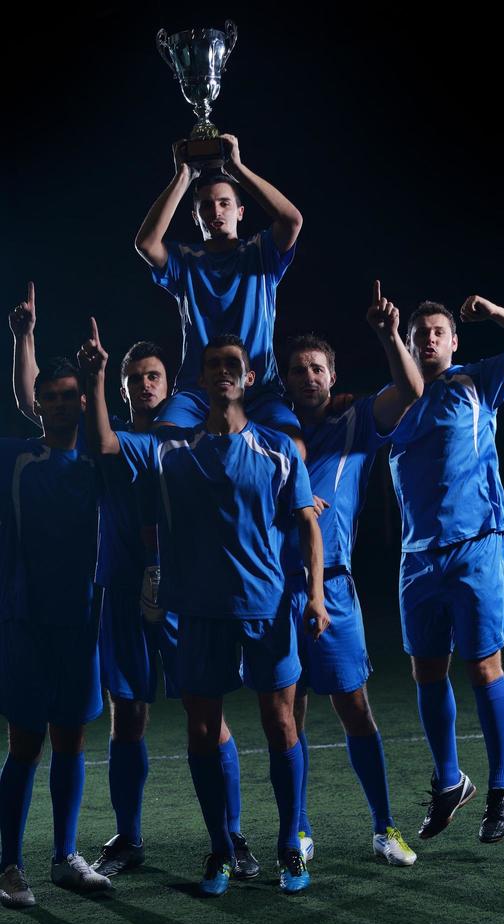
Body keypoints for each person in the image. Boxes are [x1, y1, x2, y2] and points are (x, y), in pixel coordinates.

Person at [9, 290, 258, 880]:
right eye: (135, 377)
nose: (145, 385)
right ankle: (129, 836)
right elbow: (35, 406)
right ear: (121, 388)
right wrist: (25, 340)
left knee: (208, 714)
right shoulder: (107, 437)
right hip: (120, 592)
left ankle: (233, 835)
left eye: (154, 376)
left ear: (170, 383)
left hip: (187, 593)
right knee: (129, 714)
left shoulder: (192, 436)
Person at [78, 323, 329, 897]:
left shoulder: (278, 448)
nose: (222, 372)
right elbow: (106, 444)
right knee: (201, 728)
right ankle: (219, 848)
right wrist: (95, 378)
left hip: (266, 608)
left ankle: (291, 843)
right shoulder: (171, 450)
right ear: (202, 378)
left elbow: (308, 525)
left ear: (248, 376)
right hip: (198, 612)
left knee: (281, 722)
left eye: (231, 364)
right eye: (212, 364)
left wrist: (314, 595)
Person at [390, 294, 504, 844]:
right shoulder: (395, 401)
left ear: (454, 341)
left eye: (439, 331)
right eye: (422, 334)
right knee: (427, 672)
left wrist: (496, 313)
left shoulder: (479, 382)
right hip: (418, 557)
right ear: (410, 344)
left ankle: (501, 786)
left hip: (477, 545)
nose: (431, 339)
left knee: (484, 667)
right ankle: (448, 781)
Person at [284, 282, 423, 867]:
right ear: (286, 379)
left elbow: (412, 391)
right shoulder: (268, 429)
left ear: (332, 375)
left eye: (318, 368)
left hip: (334, 586)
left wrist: (390, 335)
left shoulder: (358, 420)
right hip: (275, 587)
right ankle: (299, 829)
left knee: (355, 707)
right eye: (298, 369)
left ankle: (383, 827)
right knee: (287, 716)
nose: (309, 376)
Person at [0, 358, 111, 908]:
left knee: (72, 738)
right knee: (25, 742)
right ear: (38, 404)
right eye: (52, 396)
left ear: (85, 401)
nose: (62, 403)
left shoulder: (101, 458)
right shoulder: (15, 456)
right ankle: (9, 866)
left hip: (83, 623)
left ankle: (65, 857)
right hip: (26, 622)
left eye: (72, 395)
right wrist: (23, 338)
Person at [134, 134, 304, 450]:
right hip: (196, 390)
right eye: (206, 206)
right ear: (196, 216)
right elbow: (145, 244)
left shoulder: (260, 252)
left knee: (293, 446)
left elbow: (292, 220)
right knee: (159, 445)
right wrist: (182, 176)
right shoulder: (185, 260)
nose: (216, 211)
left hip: (257, 389)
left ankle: (295, 500)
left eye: (225, 203)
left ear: (240, 211)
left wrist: (237, 168)